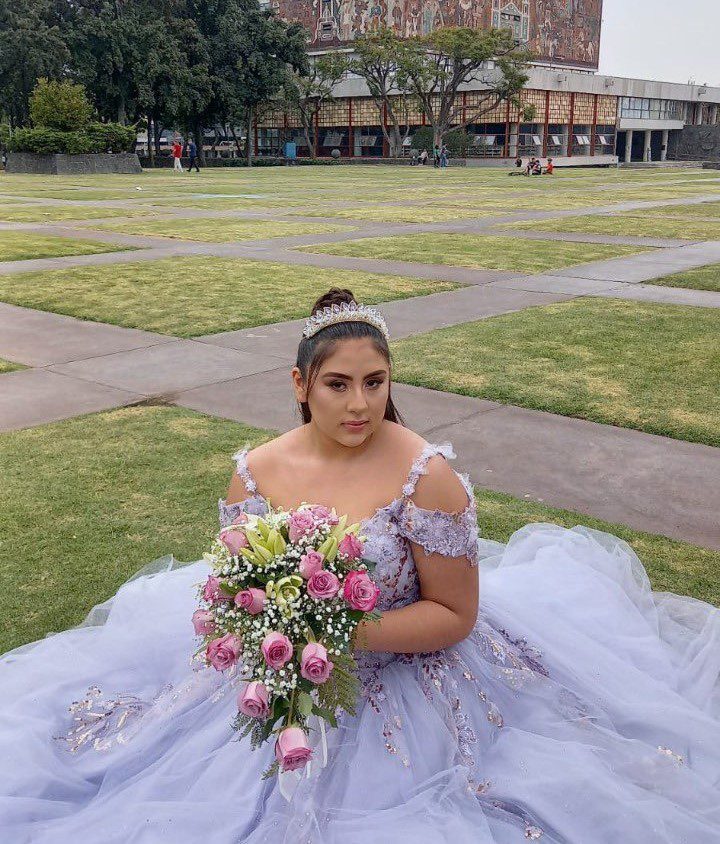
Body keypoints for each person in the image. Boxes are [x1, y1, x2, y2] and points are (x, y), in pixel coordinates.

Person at [1, 287, 720, 842]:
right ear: (299, 384)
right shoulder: (254, 472)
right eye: (338, 384)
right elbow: (239, 580)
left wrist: (339, 635)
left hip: (414, 674)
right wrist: (270, 625)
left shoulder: (424, 475)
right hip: (279, 670)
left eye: (375, 382)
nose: (360, 404)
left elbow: (456, 614)